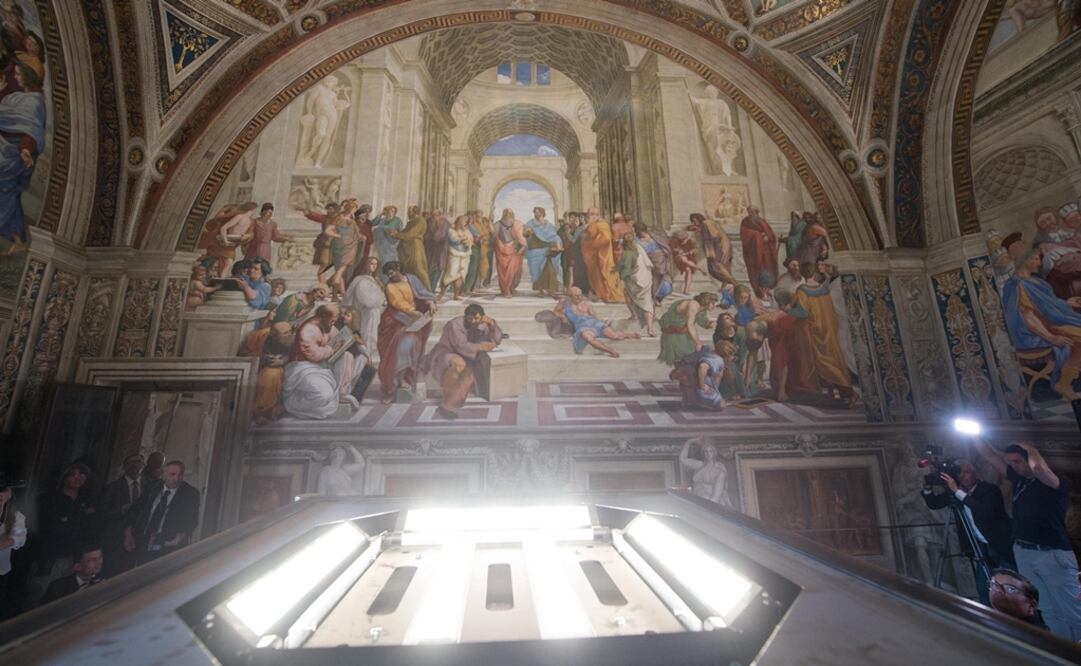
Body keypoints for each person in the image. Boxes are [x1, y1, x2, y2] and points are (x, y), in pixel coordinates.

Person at [974, 440, 1081, 639]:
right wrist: (973, 433)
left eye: (1017, 461)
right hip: (1025, 551)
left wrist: (1031, 448)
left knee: (1072, 609)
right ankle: (1064, 652)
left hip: (1050, 552)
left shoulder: (1053, 483)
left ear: (1029, 459)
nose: (1014, 467)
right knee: (1047, 609)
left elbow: (1039, 468)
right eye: (1011, 463)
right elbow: (990, 455)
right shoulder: (1021, 480)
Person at [921, 461, 1015, 605]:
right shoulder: (956, 493)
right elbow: (934, 504)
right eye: (960, 473)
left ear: (976, 474)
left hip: (1000, 542)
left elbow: (985, 511)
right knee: (984, 588)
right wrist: (927, 488)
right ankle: (990, 617)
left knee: (1011, 584)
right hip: (980, 546)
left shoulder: (989, 490)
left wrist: (957, 491)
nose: (962, 476)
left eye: (967, 472)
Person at [1001, 248, 1081, 400]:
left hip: (1051, 324)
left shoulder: (1037, 282)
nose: (1039, 262)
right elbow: (1028, 317)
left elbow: (1049, 306)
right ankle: (1063, 383)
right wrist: (1052, 338)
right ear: (1026, 261)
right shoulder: (1017, 286)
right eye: (1036, 259)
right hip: (1033, 332)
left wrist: (1068, 303)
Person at [281, 303, 372, 419]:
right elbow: (314, 355)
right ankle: (290, 405)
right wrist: (333, 349)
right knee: (323, 395)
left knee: (350, 357)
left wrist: (345, 342)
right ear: (323, 316)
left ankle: (342, 394)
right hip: (305, 368)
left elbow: (336, 337)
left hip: (322, 366)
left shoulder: (327, 325)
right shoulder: (308, 330)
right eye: (332, 320)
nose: (334, 322)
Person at [28, 464, 96, 609]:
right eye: (74, 474)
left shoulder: (85, 503)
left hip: (73, 558)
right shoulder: (48, 498)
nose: (77, 478)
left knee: (62, 600)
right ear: (65, 476)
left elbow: (87, 530)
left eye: (82, 475)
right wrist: (76, 518)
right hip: (48, 557)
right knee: (37, 596)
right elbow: (49, 527)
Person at [420, 304, 504, 419]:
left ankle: (447, 405)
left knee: (468, 376)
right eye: (470, 318)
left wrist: (493, 325)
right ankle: (447, 403)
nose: (473, 321)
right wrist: (481, 347)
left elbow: (497, 340)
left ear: (482, 317)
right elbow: (460, 346)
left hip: (469, 356)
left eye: (477, 318)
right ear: (465, 317)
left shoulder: (483, 323)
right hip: (446, 352)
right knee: (459, 364)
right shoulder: (455, 324)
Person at [793, 262, 856, 405]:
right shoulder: (823, 290)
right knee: (833, 359)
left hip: (815, 332)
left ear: (802, 273)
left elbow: (802, 312)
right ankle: (833, 392)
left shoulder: (802, 290)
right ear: (815, 273)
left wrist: (786, 309)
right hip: (829, 330)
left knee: (823, 363)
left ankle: (848, 392)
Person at [377, 261, 435, 403]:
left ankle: (404, 378)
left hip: (413, 320)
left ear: (398, 269)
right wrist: (413, 312)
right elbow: (398, 303)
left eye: (392, 272)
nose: (390, 276)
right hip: (395, 320)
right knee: (396, 348)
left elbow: (422, 293)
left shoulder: (411, 278)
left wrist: (430, 302)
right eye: (388, 274)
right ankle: (392, 385)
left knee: (412, 343)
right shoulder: (390, 287)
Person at [125, 461, 201, 565]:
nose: (176, 479)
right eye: (172, 474)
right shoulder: (152, 487)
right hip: (143, 541)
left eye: (180, 475)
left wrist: (182, 536)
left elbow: (192, 520)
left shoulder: (190, 493)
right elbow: (135, 510)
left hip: (168, 545)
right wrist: (128, 533)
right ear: (163, 474)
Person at [553, 287, 640, 358]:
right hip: (583, 327)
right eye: (576, 296)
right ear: (570, 296)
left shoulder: (586, 304)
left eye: (580, 295)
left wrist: (603, 321)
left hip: (595, 323)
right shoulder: (565, 303)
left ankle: (629, 334)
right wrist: (563, 316)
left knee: (614, 336)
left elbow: (595, 316)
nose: (579, 297)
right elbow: (555, 311)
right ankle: (610, 351)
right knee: (588, 338)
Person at [99, 454, 146, 578]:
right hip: (116, 541)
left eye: (138, 461)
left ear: (143, 465)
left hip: (141, 540)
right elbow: (101, 514)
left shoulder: (151, 487)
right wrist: (121, 510)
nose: (135, 465)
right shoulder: (112, 487)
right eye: (131, 462)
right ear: (124, 466)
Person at [670, 340, 738, 410]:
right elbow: (702, 367)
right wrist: (702, 386)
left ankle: (691, 401)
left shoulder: (705, 350)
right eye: (732, 355)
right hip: (698, 388)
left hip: (687, 385)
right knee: (721, 404)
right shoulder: (718, 360)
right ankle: (700, 402)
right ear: (727, 354)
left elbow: (684, 360)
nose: (733, 358)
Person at [658, 292, 717, 366]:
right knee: (683, 354)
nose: (714, 306)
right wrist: (698, 342)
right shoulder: (694, 305)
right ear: (707, 301)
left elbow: (701, 320)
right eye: (712, 303)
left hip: (684, 331)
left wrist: (708, 324)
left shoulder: (702, 309)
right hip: (674, 331)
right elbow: (690, 324)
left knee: (691, 353)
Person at [341, 256, 384, 353]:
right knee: (367, 333)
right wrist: (380, 301)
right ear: (366, 265)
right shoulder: (360, 280)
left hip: (376, 311)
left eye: (376, 264)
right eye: (371, 263)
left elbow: (381, 295)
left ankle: (371, 351)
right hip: (366, 312)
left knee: (374, 332)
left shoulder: (375, 280)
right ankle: (367, 352)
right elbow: (366, 300)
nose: (374, 266)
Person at [580, 208, 624, 302]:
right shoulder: (592, 224)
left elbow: (606, 239)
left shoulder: (602, 225)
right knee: (596, 276)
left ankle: (611, 296)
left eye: (592, 214)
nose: (590, 217)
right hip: (594, 255)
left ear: (597, 215)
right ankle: (602, 295)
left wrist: (592, 244)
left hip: (602, 255)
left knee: (606, 274)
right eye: (589, 214)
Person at [618, 234, 656, 336]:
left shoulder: (627, 254)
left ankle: (634, 315)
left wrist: (620, 276)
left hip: (634, 281)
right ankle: (650, 329)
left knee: (626, 294)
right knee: (648, 303)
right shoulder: (639, 248)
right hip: (645, 278)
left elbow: (626, 270)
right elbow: (647, 264)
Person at [0, 473, 27, 620]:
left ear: (10, 492)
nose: (0, 495)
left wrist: (4, 543)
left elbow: (19, 537)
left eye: (3, 490)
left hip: (1, 573)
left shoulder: (15, 516)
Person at [680, 440, 733, 507]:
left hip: (709, 502)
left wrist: (707, 508)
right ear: (703, 453)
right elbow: (683, 459)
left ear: (714, 453)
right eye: (706, 451)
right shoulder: (699, 465)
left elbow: (716, 497)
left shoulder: (719, 471)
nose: (708, 453)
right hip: (696, 500)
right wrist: (689, 442)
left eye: (710, 451)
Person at [740, 206, 779, 296]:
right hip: (753, 252)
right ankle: (759, 291)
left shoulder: (762, 222)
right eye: (749, 211)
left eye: (752, 211)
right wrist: (757, 236)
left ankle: (767, 289)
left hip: (765, 253)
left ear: (756, 212)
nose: (750, 213)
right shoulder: (745, 222)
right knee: (756, 271)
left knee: (767, 270)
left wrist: (767, 237)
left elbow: (772, 236)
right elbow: (744, 235)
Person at [688, 212, 735, 286]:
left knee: (717, 266)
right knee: (723, 267)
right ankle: (724, 287)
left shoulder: (705, 223)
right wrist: (700, 229)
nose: (694, 223)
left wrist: (710, 253)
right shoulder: (708, 222)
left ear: (698, 218)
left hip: (720, 247)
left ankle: (735, 283)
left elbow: (708, 238)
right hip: (725, 245)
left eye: (694, 221)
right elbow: (713, 233)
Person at [524, 207, 562, 296]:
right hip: (535, 251)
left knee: (549, 269)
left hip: (546, 250)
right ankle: (540, 289)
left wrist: (558, 243)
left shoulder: (549, 225)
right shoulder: (530, 223)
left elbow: (554, 236)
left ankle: (550, 288)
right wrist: (527, 233)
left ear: (542, 213)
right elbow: (525, 234)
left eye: (537, 212)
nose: (536, 214)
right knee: (536, 271)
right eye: (535, 212)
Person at [394, 205, 432, 291]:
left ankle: (428, 292)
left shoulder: (420, 220)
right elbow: (405, 232)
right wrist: (397, 233)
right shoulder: (411, 222)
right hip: (406, 248)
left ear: (415, 212)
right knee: (408, 269)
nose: (407, 213)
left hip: (415, 246)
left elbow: (411, 234)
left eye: (409, 211)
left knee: (418, 269)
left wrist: (396, 235)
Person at [493, 208, 527, 297]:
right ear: (504, 214)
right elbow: (493, 235)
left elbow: (522, 236)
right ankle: (506, 290)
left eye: (511, 214)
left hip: (513, 249)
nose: (509, 215)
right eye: (507, 214)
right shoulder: (498, 224)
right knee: (503, 272)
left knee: (514, 270)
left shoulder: (517, 224)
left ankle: (511, 288)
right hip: (501, 250)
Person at [441, 215, 473, 301]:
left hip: (465, 256)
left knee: (461, 275)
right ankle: (441, 294)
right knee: (450, 274)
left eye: (466, 223)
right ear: (460, 222)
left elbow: (470, 242)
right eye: (464, 222)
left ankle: (456, 295)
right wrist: (460, 240)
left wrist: (467, 243)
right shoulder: (451, 231)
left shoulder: (467, 232)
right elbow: (452, 241)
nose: (465, 224)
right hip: (455, 255)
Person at [424, 208, 451, 290]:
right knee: (429, 269)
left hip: (441, 250)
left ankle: (432, 290)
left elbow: (439, 236)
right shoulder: (428, 222)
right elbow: (425, 234)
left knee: (438, 269)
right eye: (432, 215)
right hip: (430, 249)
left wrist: (430, 237)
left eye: (436, 215)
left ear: (440, 215)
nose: (433, 217)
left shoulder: (445, 223)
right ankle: (428, 289)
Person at [669, 229, 701, 295]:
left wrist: (692, 251)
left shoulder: (690, 241)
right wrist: (677, 250)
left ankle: (686, 290)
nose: (685, 240)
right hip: (679, 260)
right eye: (683, 239)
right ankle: (698, 268)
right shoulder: (674, 242)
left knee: (688, 270)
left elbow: (696, 250)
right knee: (682, 258)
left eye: (685, 238)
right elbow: (671, 249)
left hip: (689, 259)